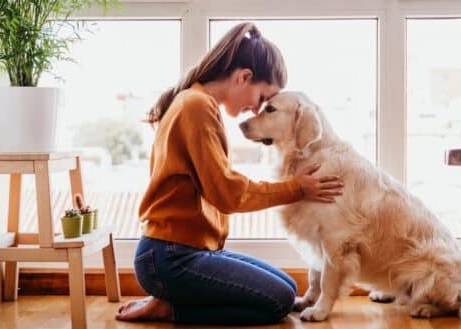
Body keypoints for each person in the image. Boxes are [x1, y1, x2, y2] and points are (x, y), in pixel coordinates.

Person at [115, 22, 344, 325]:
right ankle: (171, 308)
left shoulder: (196, 102)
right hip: (169, 258)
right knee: (278, 301)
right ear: (244, 77)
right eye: (262, 98)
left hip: (184, 252)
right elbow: (228, 194)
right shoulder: (196, 107)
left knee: (288, 289)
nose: (255, 110)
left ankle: (171, 298)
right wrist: (296, 188)